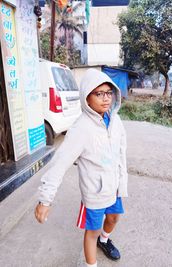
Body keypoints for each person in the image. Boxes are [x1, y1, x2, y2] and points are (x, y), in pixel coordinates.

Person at [35, 69, 128, 267]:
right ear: (87, 96)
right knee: (92, 232)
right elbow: (59, 164)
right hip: (94, 192)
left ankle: (105, 240)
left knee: (114, 218)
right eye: (99, 93)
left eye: (108, 92)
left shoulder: (115, 120)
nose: (105, 98)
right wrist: (45, 199)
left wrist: (123, 181)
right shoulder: (81, 128)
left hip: (114, 186)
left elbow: (122, 152)